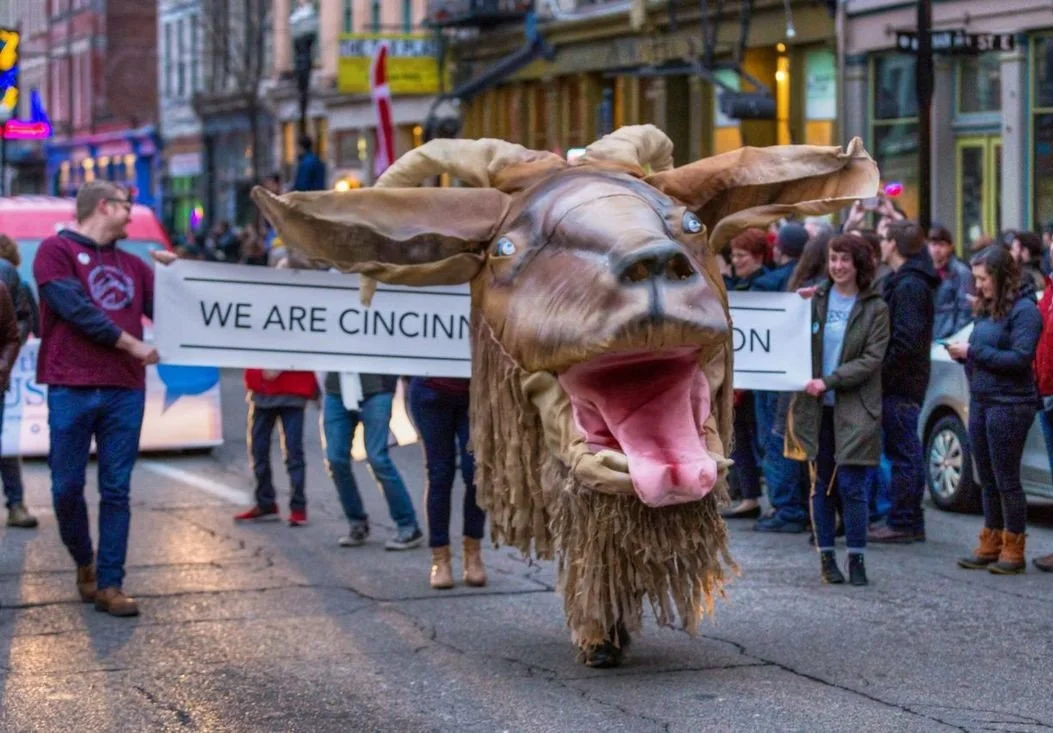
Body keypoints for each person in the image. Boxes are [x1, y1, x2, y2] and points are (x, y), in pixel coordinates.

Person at [33, 181, 167, 617]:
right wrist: (130, 344)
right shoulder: (55, 252)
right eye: (127, 206)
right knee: (66, 488)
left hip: (123, 390)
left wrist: (175, 275)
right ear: (105, 207)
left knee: (116, 488)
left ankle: (111, 583)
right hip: (70, 385)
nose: (132, 215)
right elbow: (76, 309)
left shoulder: (134, 265)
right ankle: (84, 562)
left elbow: (175, 310)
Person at [786, 234, 890, 585]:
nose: (838, 267)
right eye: (833, 259)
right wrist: (796, 306)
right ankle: (826, 558)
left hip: (856, 408)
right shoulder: (815, 299)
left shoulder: (875, 307)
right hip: (817, 409)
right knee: (821, 487)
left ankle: (857, 558)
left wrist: (829, 381)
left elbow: (872, 359)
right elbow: (787, 336)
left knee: (853, 485)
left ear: (859, 264)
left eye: (845, 260)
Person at [950, 246, 1042, 575]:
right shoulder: (989, 309)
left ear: (1001, 276)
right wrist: (966, 356)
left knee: (1006, 479)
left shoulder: (1025, 311)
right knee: (986, 478)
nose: (979, 285)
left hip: (1010, 403)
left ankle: (1014, 547)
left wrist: (973, 351)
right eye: (976, 279)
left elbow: (1019, 359)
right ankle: (991, 541)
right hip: (983, 399)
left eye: (983, 279)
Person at [869, 221, 939, 545]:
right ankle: (907, 518)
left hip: (901, 384)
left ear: (893, 244)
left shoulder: (910, 286)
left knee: (903, 452)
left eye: (883, 239)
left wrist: (881, 374)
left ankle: (904, 520)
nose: (880, 244)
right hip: (902, 381)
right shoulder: (907, 281)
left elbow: (905, 341)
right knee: (903, 451)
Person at [753, 223, 815, 534]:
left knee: (775, 439)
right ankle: (799, 505)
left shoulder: (768, 285)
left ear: (779, 249)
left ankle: (787, 508)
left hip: (772, 373)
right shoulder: (812, 283)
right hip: (803, 374)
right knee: (795, 439)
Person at [322, 372, 424, 549]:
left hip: (377, 389)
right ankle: (356, 522)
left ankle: (408, 525)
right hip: (336, 390)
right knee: (335, 459)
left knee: (377, 458)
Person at [407, 376, 486, 589]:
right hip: (429, 391)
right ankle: (440, 558)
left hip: (476, 393)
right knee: (439, 475)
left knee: (476, 474)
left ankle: (473, 552)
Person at [722, 228, 769, 519]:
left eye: (742, 256)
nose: (737, 261)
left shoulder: (763, 286)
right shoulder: (741, 284)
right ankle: (748, 494)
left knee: (758, 439)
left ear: (758, 256)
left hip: (758, 380)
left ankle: (755, 495)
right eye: (735, 256)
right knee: (739, 438)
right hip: (741, 378)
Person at [236, 367, 318, 526]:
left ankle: (297, 507)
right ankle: (266, 504)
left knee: (293, 452)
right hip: (264, 389)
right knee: (259, 450)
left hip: (292, 390)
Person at [0, 234, 38, 528]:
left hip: (4, 375)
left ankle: (15, 502)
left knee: (5, 439)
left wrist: (4, 364)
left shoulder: (6, 276)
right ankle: (15, 503)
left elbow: (22, 323)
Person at [928, 225, 974, 340]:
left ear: (950, 247)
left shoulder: (961, 272)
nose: (937, 249)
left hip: (948, 338)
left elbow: (965, 311)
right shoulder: (925, 270)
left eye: (942, 245)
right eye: (933, 245)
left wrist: (954, 339)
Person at [1009, 231, 1044, 298]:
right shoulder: (1039, 272)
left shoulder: (1025, 277)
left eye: (1013, 249)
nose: (1011, 253)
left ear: (1025, 251)